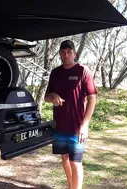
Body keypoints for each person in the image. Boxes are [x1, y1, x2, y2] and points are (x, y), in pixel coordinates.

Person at [44, 40, 97, 189]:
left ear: (75, 53)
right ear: (60, 54)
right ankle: (71, 186)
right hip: (60, 125)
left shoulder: (82, 71)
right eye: (62, 52)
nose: (65, 55)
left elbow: (92, 98)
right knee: (65, 159)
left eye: (69, 52)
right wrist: (52, 96)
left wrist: (85, 125)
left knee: (76, 162)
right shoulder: (55, 73)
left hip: (76, 127)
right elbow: (46, 96)